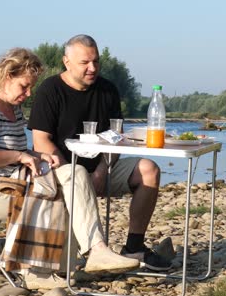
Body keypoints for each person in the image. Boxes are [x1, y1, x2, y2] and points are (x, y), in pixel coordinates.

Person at [0, 47, 139, 290]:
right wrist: (23, 155)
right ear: (6, 76)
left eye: (31, 87)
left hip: (11, 182)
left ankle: (93, 252)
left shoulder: (13, 108)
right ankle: (39, 273)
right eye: (24, 86)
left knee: (74, 173)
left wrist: (37, 154)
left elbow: (10, 152)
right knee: (54, 195)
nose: (29, 93)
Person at [29, 34, 172, 271]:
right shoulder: (50, 90)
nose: (92, 68)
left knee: (148, 169)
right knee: (76, 174)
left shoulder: (108, 90)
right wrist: (71, 172)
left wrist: (102, 171)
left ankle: (134, 246)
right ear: (67, 62)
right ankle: (96, 252)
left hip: (100, 167)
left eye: (96, 61)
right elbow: (40, 141)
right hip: (60, 170)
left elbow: (116, 138)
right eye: (85, 63)